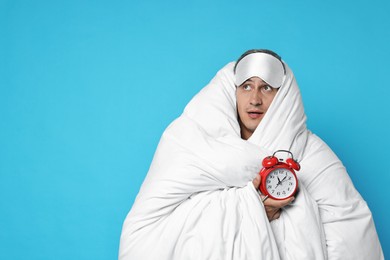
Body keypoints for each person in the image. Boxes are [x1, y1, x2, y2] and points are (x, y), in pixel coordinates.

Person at [119, 49, 384, 259]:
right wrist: (253, 207)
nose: (254, 99)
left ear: (283, 95)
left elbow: (350, 233)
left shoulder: (312, 154)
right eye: (246, 86)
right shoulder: (188, 141)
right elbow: (147, 228)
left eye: (266, 88)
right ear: (230, 90)